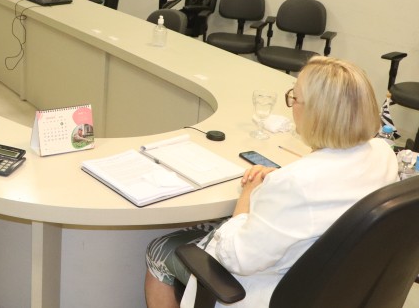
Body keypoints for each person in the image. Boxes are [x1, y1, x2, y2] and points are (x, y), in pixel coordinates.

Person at [144, 56, 398, 308]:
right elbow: (330, 181)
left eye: (294, 98)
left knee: (159, 249)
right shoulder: (382, 153)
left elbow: (237, 259)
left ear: (317, 113)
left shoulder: (295, 184)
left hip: (269, 292)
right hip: (338, 289)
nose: (291, 105)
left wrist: (248, 195)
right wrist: (281, 179)